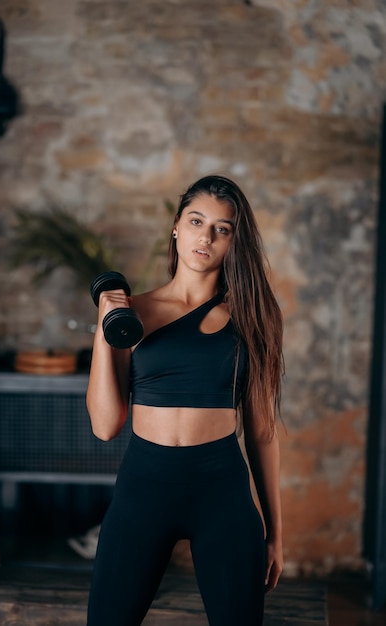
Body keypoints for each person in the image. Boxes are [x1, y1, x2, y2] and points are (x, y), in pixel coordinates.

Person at [86, 175, 284, 626]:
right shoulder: (130, 316)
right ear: (176, 226)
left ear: (234, 242)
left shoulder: (253, 315)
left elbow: (261, 431)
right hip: (143, 488)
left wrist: (276, 533)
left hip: (221, 493)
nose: (206, 236)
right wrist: (105, 327)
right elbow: (104, 425)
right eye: (196, 221)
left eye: (223, 228)